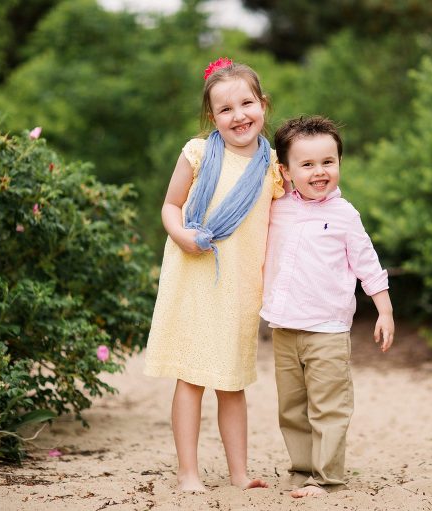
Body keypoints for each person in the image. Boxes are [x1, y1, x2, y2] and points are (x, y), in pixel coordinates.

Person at [143, 58, 284, 492]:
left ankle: (239, 473)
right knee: (191, 378)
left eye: (247, 103)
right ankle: (188, 473)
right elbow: (170, 205)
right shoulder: (199, 153)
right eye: (226, 110)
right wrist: (182, 234)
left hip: (240, 288)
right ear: (212, 117)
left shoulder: (274, 166)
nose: (238, 115)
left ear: (263, 105)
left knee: (233, 382)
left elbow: (283, 224)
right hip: (196, 279)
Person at [261, 115, 395, 498]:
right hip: (285, 328)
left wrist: (384, 310)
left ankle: (327, 477)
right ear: (285, 170)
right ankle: (301, 470)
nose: (319, 172)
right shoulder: (275, 208)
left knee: (328, 409)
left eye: (328, 162)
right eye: (307, 164)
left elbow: (367, 264)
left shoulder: (344, 215)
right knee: (291, 408)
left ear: (339, 163)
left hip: (328, 330)